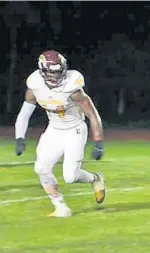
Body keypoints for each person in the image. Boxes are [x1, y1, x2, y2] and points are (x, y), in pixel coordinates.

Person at [14, 50, 105, 217]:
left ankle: (95, 179)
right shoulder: (35, 86)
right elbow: (24, 113)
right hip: (54, 130)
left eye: (57, 71)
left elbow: (92, 113)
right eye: (51, 71)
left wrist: (98, 142)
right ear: (42, 71)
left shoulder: (72, 87)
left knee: (70, 176)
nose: (55, 75)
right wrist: (20, 137)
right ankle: (61, 207)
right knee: (41, 167)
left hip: (75, 129)